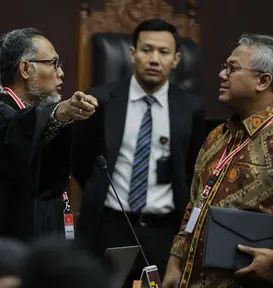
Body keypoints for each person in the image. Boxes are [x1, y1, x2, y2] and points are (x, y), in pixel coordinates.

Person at [162, 33, 273, 288]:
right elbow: (195, 203)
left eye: (232, 68)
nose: (222, 75)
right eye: (225, 67)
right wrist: (176, 258)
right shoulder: (218, 136)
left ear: (263, 81)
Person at [70, 18, 206, 285]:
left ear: (176, 59)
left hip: (164, 231)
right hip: (109, 226)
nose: (154, 59)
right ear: (132, 54)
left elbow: (193, 170)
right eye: (146, 50)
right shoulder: (101, 99)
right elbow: (81, 160)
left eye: (163, 52)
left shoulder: (190, 108)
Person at [0, 28, 98, 241]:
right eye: (53, 63)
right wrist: (60, 112)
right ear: (25, 69)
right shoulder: (4, 114)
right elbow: (15, 134)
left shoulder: (33, 118)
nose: (61, 73)